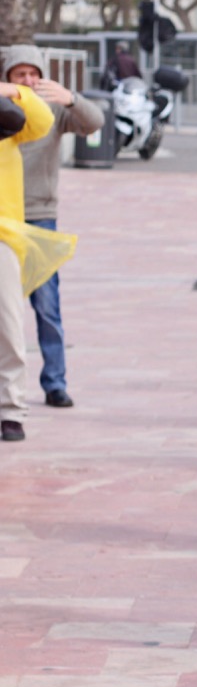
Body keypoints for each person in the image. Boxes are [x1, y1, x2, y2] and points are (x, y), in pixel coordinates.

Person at [3, 45, 106, 409]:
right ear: (8, 79)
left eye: (34, 74)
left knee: (48, 306)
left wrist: (72, 98)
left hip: (40, 215)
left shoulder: (53, 109)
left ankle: (55, 382)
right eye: (20, 75)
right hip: (6, 221)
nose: (28, 81)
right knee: (6, 310)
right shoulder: (5, 111)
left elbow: (95, 123)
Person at [1, 76, 55, 443]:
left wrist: (15, 91)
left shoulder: (8, 126)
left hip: (3, 237)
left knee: (9, 325)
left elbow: (42, 120)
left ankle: (11, 410)